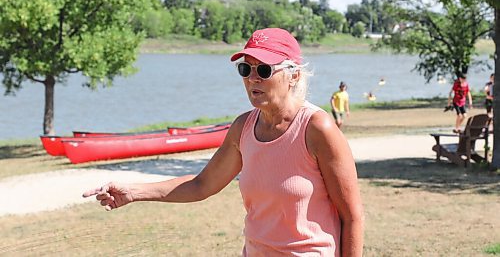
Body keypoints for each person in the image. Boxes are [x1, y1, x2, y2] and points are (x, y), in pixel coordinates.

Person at [83, 28, 364, 256]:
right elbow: (202, 184)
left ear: (293, 75)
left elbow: (352, 218)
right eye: (246, 69)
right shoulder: (243, 127)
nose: (252, 78)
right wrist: (133, 192)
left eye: (264, 70)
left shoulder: (317, 128)